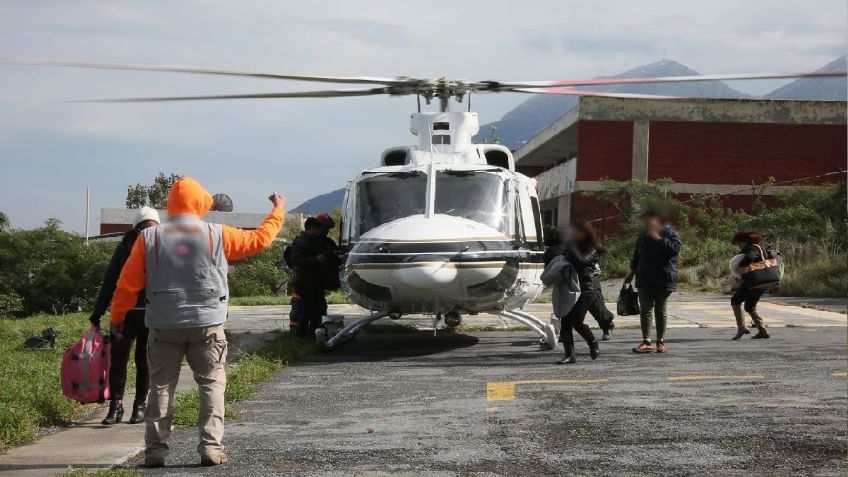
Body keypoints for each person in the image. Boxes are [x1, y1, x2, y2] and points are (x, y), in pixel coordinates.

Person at [109, 177, 286, 468]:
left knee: (161, 387)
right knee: (211, 384)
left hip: (163, 325)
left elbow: (126, 285)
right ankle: (210, 449)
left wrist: (117, 318)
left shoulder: (149, 238)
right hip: (207, 324)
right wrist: (278, 209)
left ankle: (155, 451)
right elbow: (260, 240)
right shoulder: (217, 234)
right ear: (200, 202)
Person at [90, 206, 160, 425]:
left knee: (144, 362)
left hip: (152, 315)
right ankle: (116, 406)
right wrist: (98, 312)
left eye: (153, 228)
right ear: (136, 229)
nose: (149, 232)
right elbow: (110, 281)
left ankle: (139, 406)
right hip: (124, 315)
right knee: (118, 361)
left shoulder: (163, 247)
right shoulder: (124, 249)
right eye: (145, 228)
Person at [625, 210, 683, 354]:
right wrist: (631, 273)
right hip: (644, 277)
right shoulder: (643, 234)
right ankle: (646, 341)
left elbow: (675, 249)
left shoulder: (670, 232)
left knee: (660, 310)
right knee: (645, 310)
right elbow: (636, 255)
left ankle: (660, 342)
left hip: (664, 278)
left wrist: (658, 238)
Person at [544, 226, 615, 340]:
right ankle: (565, 333)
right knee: (567, 304)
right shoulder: (553, 250)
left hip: (590, 277)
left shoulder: (577, 245)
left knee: (595, 305)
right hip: (570, 278)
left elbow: (585, 260)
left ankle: (607, 326)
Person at [554, 221, 604, 364]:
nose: (574, 235)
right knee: (565, 322)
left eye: (577, 232)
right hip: (569, 287)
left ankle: (592, 341)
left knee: (577, 321)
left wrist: (571, 248)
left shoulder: (592, 249)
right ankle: (569, 355)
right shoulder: (570, 247)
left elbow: (582, 262)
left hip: (586, 289)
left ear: (585, 233)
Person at [289, 213, 338, 339]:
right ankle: (300, 335)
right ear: (314, 227)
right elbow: (295, 260)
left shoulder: (325, 241)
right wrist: (315, 259)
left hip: (318, 282)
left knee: (319, 308)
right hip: (305, 282)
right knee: (306, 309)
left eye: (328, 229)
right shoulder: (301, 242)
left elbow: (335, 253)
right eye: (324, 228)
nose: (326, 232)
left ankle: (315, 333)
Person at [730, 231, 771, 340]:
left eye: (739, 243)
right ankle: (762, 330)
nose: (738, 246)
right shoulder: (760, 247)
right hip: (763, 281)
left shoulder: (752, 248)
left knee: (735, 300)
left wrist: (741, 265)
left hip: (754, 281)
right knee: (749, 306)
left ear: (744, 241)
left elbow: (750, 258)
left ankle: (742, 327)